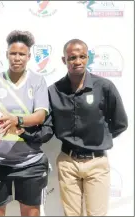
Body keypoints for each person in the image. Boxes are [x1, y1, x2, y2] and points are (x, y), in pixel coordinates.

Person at [22, 39, 128, 216]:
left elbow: (120, 123)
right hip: (67, 163)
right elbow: (47, 128)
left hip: (97, 162)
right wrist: (22, 131)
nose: (77, 61)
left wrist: (99, 138)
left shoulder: (104, 87)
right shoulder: (53, 91)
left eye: (82, 57)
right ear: (64, 60)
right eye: (72, 57)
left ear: (88, 58)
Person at [0, 30, 50, 216]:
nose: (17, 58)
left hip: (30, 162)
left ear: (28, 57)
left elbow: (40, 115)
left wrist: (15, 120)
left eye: (21, 54)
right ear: (6, 55)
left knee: (31, 213)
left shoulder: (37, 81)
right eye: (13, 53)